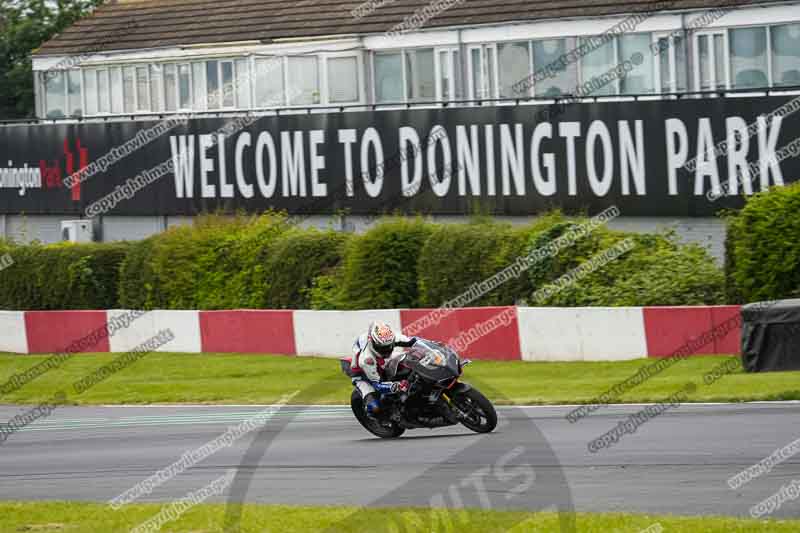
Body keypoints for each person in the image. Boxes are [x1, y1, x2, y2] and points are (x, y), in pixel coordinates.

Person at [351, 321, 417, 415]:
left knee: (410, 359)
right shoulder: (367, 359)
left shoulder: (388, 338)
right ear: (372, 342)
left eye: (389, 346)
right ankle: (382, 417)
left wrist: (433, 345)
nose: (387, 350)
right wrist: (397, 386)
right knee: (374, 407)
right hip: (361, 373)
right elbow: (377, 385)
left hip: (379, 359)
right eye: (382, 348)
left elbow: (412, 341)